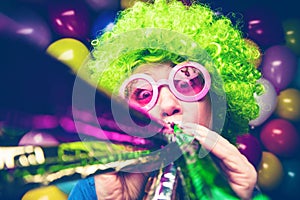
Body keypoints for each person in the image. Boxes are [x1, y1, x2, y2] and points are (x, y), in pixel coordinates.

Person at [69, 0, 262, 199]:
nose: (169, 105)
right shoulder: (96, 190)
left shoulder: (240, 186)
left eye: (186, 83)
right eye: (144, 94)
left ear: (218, 103)